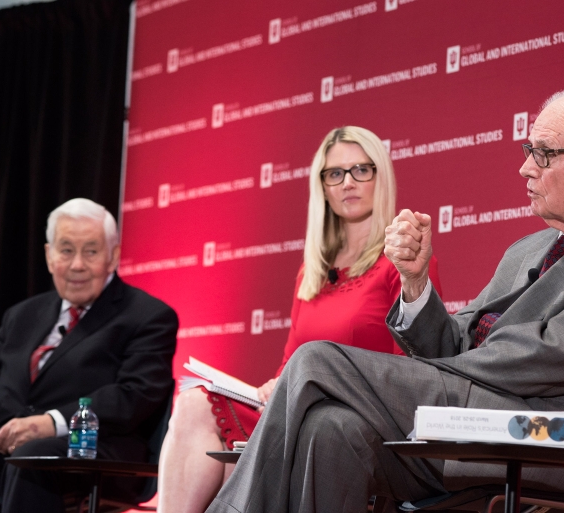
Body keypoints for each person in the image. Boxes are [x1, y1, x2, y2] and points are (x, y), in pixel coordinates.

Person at [205, 88, 564, 513]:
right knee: (329, 428)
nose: (525, 167)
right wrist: (417, 284)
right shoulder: (528, 248)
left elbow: (542, 359)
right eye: (529, 149)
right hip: (478, 426)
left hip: (555, 443)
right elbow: (455, 344)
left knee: (317, 360)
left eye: (544, 153)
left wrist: (433, 368)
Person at [157, 126, 442, 513]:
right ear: (322, 186)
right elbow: (291, 361)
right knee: (193, 403)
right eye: (334, 173)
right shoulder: (311, 269)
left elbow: (413, 370)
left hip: (354, 420)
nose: (348, 183)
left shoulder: (404, 263)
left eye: (361, 170)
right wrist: (275, 382)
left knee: (261, 455)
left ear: (381, 176)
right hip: (294, 407)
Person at [0, 198, 178, 513]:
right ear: (49, 256)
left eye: (90, 251)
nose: (77, 265)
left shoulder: (148, 316)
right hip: (4, 448)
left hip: (90, 451)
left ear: (112, 257)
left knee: (34, 459)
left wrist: (51, 423)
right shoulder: (23, 314)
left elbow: (135, 395)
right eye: (66, 250)